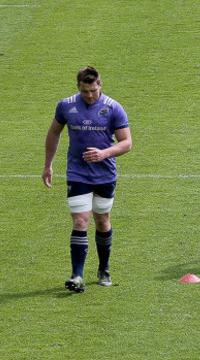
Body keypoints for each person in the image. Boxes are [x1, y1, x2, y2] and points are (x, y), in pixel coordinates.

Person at [42, 66, 132, 292]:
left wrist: (104, 154)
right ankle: (77, 276)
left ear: (100, 84)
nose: (90, 95)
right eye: (85, 91)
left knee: (102, 221)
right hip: (78, 172)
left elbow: (126, 142)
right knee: (80, 220)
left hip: (104, 173)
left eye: (93, 90)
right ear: (78, 87)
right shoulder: (66, 105)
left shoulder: (113, 108)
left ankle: (104, 268)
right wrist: (48, 165)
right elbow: (54, 132)